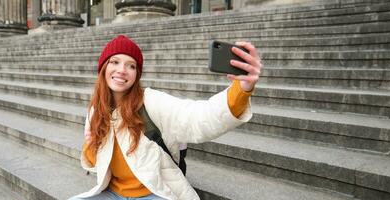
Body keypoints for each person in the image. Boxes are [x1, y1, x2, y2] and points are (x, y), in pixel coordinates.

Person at [69, 35, 262, 200]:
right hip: (112, 193)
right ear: (103, 68)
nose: (122, 70)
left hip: (154, 192)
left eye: (131, 66)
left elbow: (197, 118)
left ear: (137, 74)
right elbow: (95, 164)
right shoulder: (97, 108)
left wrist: (242, 89)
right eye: (115, 62)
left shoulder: (151, 101)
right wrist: (91, 146)